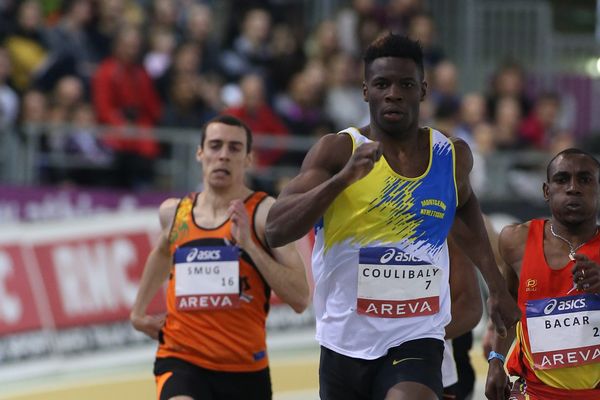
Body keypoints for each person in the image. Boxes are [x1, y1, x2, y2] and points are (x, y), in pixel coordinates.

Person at [265, 33, 519, 400]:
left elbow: (464, 208)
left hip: (417, 334)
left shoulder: (450, 155)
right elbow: (275, 229)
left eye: (406, 84)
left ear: (423, 89)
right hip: (345, 340)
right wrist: (341, 180)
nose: (394, 93)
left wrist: (495, 288)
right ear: (366, 91)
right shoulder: (338, 151)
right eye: (382, 84)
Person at [130, 115, 310, 400]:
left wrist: (249, 246)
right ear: (200, 153)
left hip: (244, 371)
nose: (223, 155)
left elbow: (301, 298)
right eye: (215, 146)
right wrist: (138, 313)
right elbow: (162, 252)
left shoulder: (265, 215)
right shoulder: (175, 213)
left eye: (234, 148)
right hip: (181, 359)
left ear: (249, 158)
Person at [485, 148, 600, 400]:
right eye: (562, 179)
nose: (573, 188)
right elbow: (509, 306)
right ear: (546, 191)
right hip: (534, 392)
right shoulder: (517, 240)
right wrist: (496, 360)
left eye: (585, 179)